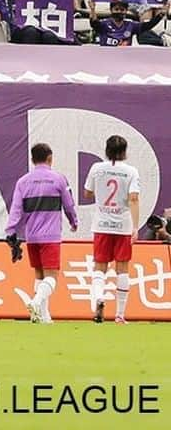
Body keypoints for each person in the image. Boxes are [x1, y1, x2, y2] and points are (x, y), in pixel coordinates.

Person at [5, 142, 78, 325]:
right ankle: (36, 302)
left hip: (32, 236)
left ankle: (43, 316)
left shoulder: (23, 182)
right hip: (51, 236)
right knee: (52, 276)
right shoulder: (59, 179)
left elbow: (15, 209)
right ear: (50, 158)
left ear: (32, 159)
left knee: (39, 274)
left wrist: (11, 231)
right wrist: (73, 221)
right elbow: (68, 204)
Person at [83, 135, 141, 325]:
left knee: (100, 266)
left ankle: (99, 297)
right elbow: (133, 198)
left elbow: (87, 193)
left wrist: (100, 193)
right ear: (124, 151)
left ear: (106, 150)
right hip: (122, 225)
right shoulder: (131, 171)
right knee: (122, 268)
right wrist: (134, 226)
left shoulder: (97, 169)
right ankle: (120, 314)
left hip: (101, 224)